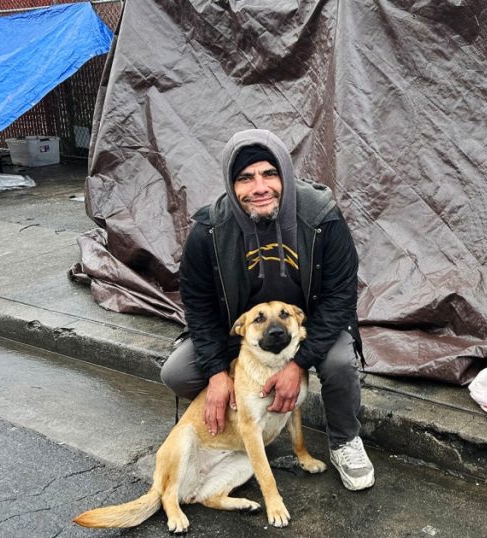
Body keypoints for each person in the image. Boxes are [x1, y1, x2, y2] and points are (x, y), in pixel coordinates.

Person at [160, 128, 374, 491]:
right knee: (178, 373)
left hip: (307, 326)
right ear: (232, 185)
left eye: (269, 174)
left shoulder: (322, 218)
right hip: (239, 331)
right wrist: (216, 373)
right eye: (245, 178)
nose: (259, 187)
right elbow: (198, 305)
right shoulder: (208, 231)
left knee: (339, 362)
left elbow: (340, 297)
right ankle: (240, 424)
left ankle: (344, 440)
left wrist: (298, 363)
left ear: (285, 175)